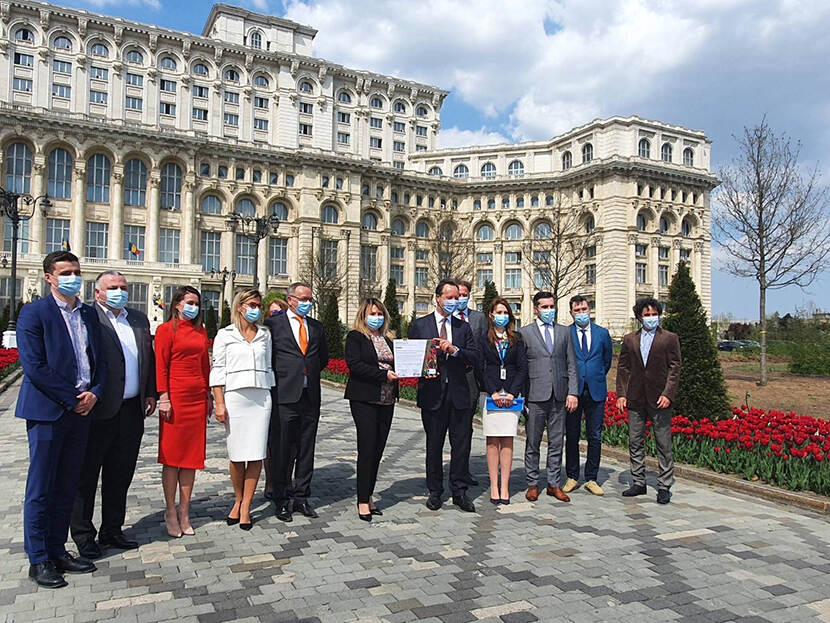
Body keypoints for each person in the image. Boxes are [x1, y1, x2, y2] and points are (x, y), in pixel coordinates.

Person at [16, 251, 105, 588]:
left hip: (82, 411)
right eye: (66, 272)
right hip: (48, 412)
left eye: (77, 271)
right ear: (49, 277)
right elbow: (35, 367)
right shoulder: (34, 312)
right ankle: (38, 559)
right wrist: (72, 399)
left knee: (68, 484)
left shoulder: (87, 314)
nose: (73, 277)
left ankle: (58, 550)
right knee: (42, 487)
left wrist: (94, 392)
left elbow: (98, 362)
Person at [70, 271, 156, 560]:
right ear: (97, 293)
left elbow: (148, 357)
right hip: (97, 410)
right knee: (87, 475)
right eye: (112, 287)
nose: (119, 291)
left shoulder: (138, 319)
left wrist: (151, 392)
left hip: (132, 409)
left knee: (120, 474)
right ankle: (83, 535)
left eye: (123, 287)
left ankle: (112, 529)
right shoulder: (87, 317)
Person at [408, 279, 479, 513]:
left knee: (460, 445)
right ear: (437, 298)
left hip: (459, 393)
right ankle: (435, 491)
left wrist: (455, 350)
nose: (453, 301)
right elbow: (411, 355)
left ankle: (459, 490)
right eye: (448, 297)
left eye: (456, 297)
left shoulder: (462, 327)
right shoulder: (420, 325)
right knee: (434, 445)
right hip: (433, 393)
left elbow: (473, 355)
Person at [211, 290, 274, 530]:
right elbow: (218, 370)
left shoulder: (265, 335)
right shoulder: (224, 334)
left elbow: (269, 366)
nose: (256, 309)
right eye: (252, 304)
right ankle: (237, 499)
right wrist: (219, 402)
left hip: (260, 398)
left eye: (259, 305)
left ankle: (246, 505)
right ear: (240, 307)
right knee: (237, 455)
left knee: (257, 453)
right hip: (235, 398)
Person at [266, 282, 329, 522]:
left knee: (306, 448)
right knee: (282, 449)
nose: (307, 303)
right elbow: (269, 357)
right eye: (303, 299)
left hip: (310, 396)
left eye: (309, 299)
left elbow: (321, 358)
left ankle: (301, 496)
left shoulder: (316, 326)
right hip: (284, 396)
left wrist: (307, 370)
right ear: (290, 299)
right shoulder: (274, 325)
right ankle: (281, 498)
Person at [155, 286, 211, 537]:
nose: (194, 307)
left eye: (197, 303)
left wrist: (209, 395)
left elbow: (205, 366)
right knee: (172, 458)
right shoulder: (166, 330)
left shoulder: (201, 332)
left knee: (190, 459)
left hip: (197, 399)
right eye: (189, 302)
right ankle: (170, 510)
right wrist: (163, 397)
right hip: (175, 398)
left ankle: (185, 512)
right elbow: (161, 366)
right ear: (177, 304)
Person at [616, 298, 682, 504]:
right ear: (639, 317)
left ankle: (664, 485)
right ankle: (638, 482)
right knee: (635, 441)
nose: (651, 318)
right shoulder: (629, 340)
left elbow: (675, 368)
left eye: (654, 314)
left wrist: (668, 393)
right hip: (635, 397)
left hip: (659, 398)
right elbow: (623, 368)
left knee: (663, 443)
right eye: (647, 314)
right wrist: (621, 394)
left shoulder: (669, 338)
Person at [519, 291, 578, 503]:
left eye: (551, 306)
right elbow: (521, 367)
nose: (548, 311)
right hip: (535, 395)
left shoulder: (564, 332)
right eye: (544, 307)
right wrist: (521, 396)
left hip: (560, 394)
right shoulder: (525, 333)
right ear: (536, 308)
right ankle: (532, 483)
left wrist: (573, 391)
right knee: (533, 442)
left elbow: (571, 363)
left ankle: (553, 483)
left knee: (556, 442)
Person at [344, 298, 399, 522]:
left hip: (386, 399)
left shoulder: (388, 339)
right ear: (363, 316)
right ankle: (362, 500)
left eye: (380, 314)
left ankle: (369, 494)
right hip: (364, 398)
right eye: (372, 313)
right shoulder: (356, 337)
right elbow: (355, 365)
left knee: (378, 449)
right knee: (367, 448)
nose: (376, 317)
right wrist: (382, 375)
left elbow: (400, 363)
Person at [477, 298, 527, 504]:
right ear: (491, 315)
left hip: (511, 396)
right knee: (492, 441)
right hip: (491, 395)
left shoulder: (517, 339)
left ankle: (505, 486)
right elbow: (480, 367)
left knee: (507, 440)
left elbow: (522, 368)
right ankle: (494, 487)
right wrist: (493, 391)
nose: (502, 316)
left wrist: (513, 392)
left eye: (506, 312)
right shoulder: (483, 339)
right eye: (499, 312)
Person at [563, 296, 613, 497]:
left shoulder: (602, 333)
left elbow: (606, 360)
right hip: (573, 392)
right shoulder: (566, 333)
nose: (581, 313)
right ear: (571, 313)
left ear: (589, 309)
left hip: (596, 390)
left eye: (584, 308)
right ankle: (572, 476)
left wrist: (596, 375)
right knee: (572, 435)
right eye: (577, 310)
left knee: (595, 435)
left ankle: (591, 478)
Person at [454, 279, 487, 487]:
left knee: (465, 427)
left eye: (464, 294)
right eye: (456, 295)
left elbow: (483, 349)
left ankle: (463, 471)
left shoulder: (478, 318)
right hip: (448, 377)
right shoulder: (445, 318)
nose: (460, 299)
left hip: (470, 378)